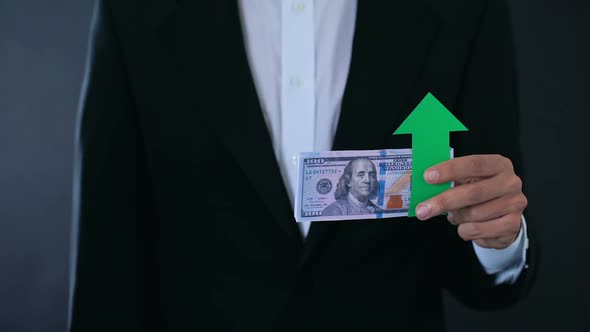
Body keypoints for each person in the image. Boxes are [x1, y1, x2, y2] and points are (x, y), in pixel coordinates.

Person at [69, 1, 536, 331]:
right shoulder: (132, 9)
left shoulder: (466, 7)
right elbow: (106, 258)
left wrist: (498, 240)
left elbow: (481, 240)